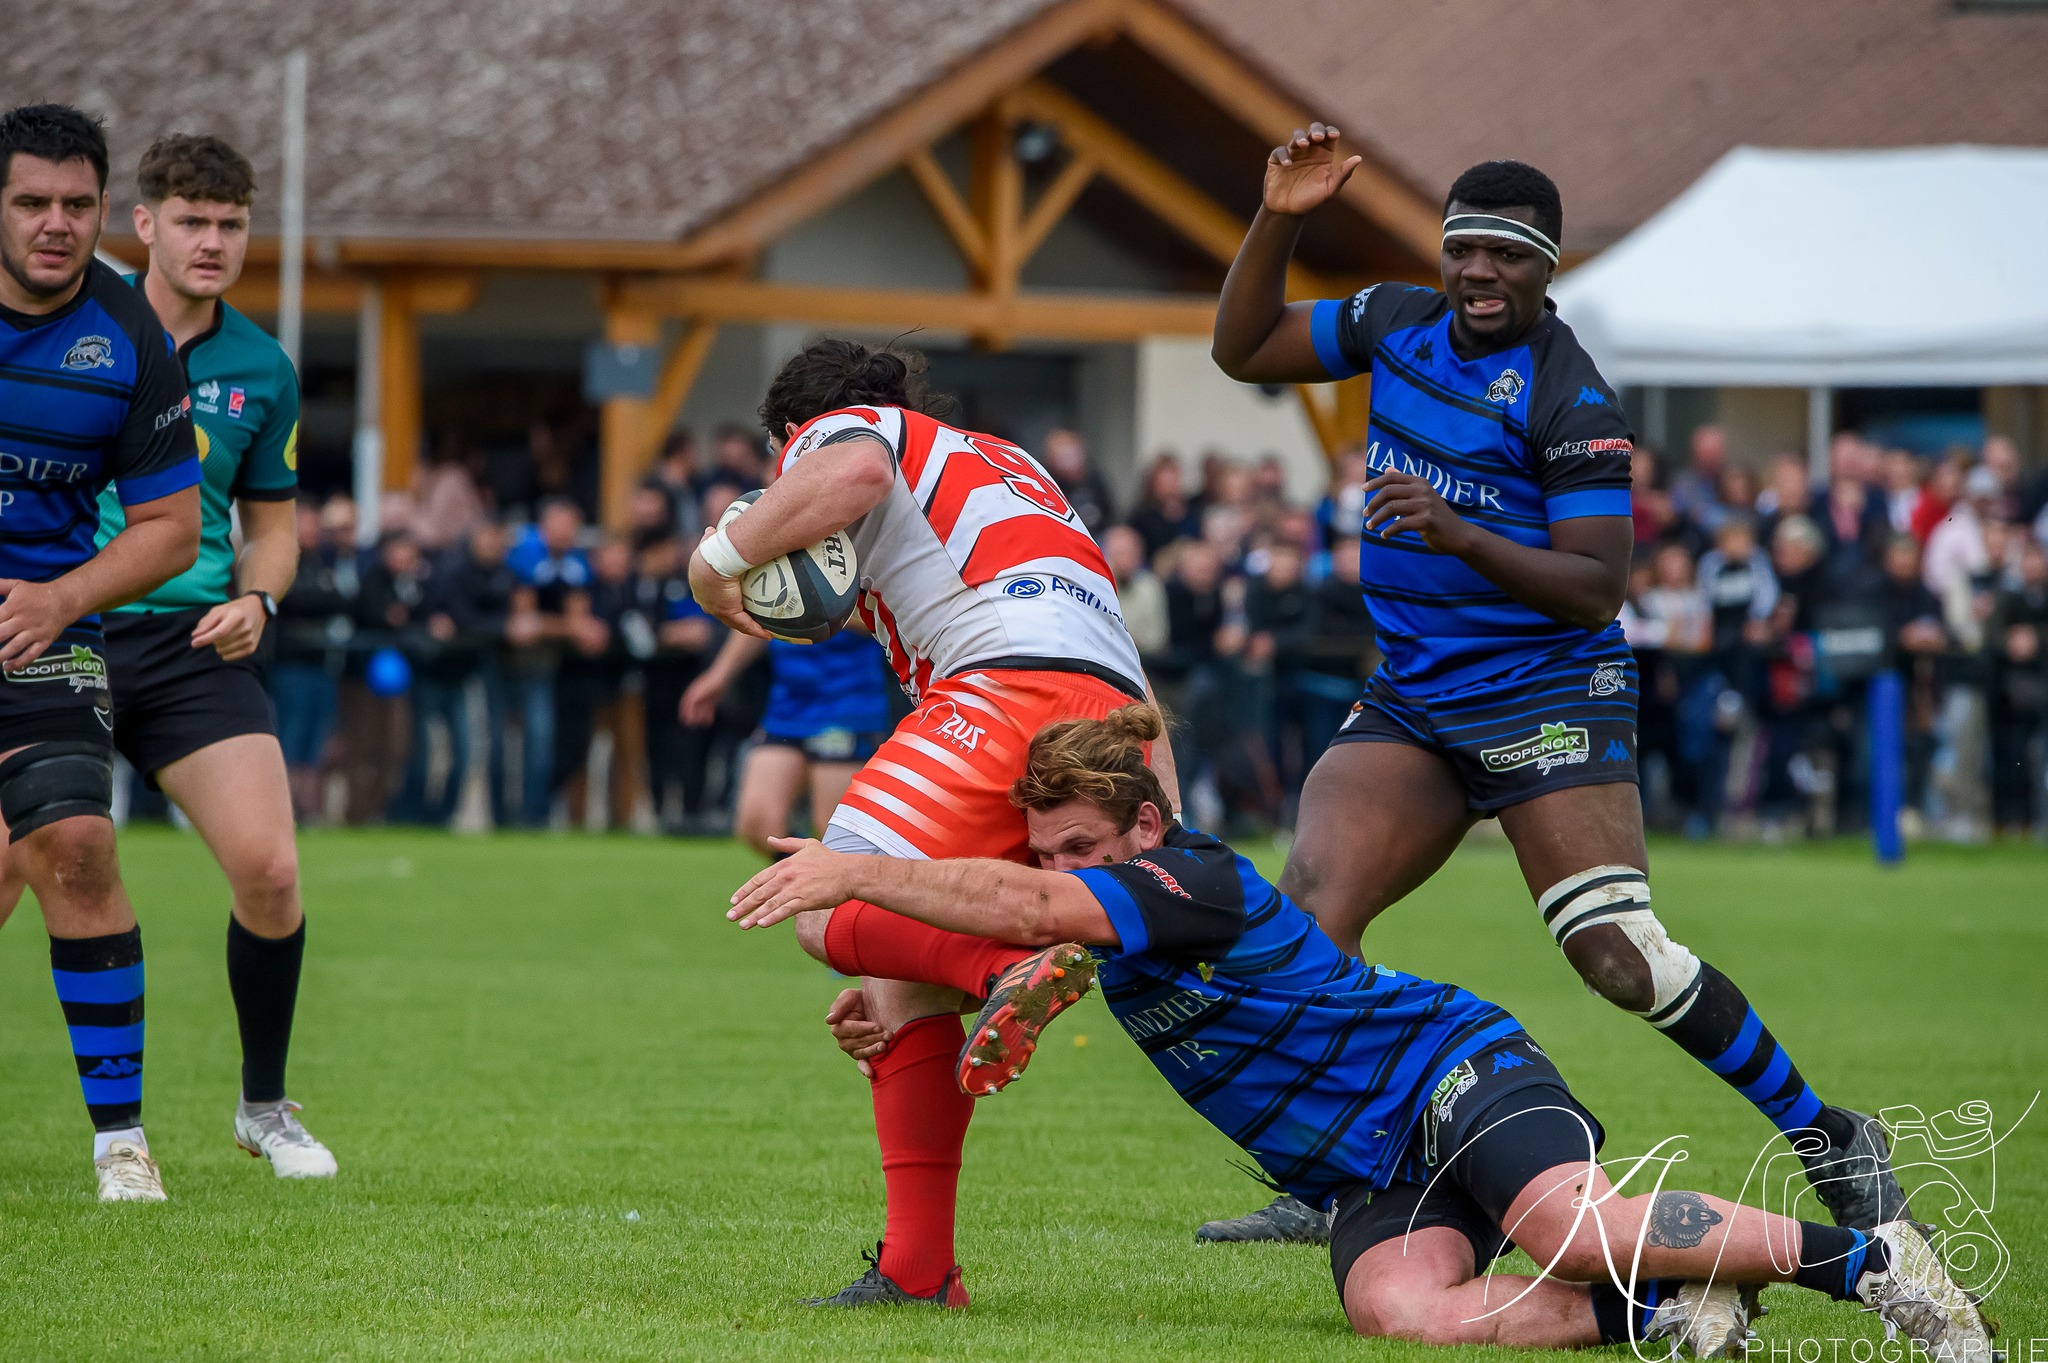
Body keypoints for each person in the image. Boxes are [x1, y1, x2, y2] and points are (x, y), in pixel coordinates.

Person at [727, 707, 1992, 1357]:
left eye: (1081, 849)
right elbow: (1019, 941)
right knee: (1398, 1309)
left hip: (1449, 1070)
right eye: (1048, 849)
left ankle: (1873, 1265)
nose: (1061, 869)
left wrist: (856, 870)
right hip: (1364, 1170)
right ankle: (1664, 1314)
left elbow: (1028, 908)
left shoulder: (1195, 882)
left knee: (1559, 1221)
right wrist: (899, 1005)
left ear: (1143, 837)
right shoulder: (1110, 917)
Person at [1206, 133, 1907, 1241]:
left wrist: (1456, 530)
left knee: (1614, 953)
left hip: (1544, 692)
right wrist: (1279, 215)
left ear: (1547, 268)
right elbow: (1244, 349)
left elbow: (1593, 586)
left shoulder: (1569, 395)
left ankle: (1825, 1132)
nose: (1481, 273)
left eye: (1508, 257)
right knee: (1306, 918)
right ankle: (1339, 1181)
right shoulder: (1394, 320)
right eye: (1465, 251)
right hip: (1416, 692)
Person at [685, 336, 1171, 1306]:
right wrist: (1161, 787)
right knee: (893, 978)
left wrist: (714, 564)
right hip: (1110, 706)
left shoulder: (851, 434)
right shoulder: (1005, 463)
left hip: (1002, 680)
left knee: (823, 899)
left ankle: (1003, 967)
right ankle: (917, 1273)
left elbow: (852, 468)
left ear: (791, 433)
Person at [87, 134, 333, 1173]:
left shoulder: (262, 365)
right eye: (191, 220)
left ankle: (263, 1108)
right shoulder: (74, 332)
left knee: (272, 870)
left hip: (197, 644)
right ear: (143, 225)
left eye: (231, 224)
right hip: (67, 633)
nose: (213, 242)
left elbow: (272, 521)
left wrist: (260, 597)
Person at [0, 104, 202, 1201]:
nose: (56, 224)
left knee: (78, 842)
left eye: (77, 204)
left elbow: (169, 529)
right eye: (31, 201)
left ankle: (119, 1139)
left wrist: (58, 596)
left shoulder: (131, 334)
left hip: (43, 628)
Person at [682, 630, 898, 859]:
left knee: (837, 834)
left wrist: (825, 607)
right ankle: (816, 884)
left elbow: (878, 618)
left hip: (847, 703)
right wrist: (719, 675)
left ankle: (852, 888)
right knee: (758, 823)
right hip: (787, 704)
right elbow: (756, 622)